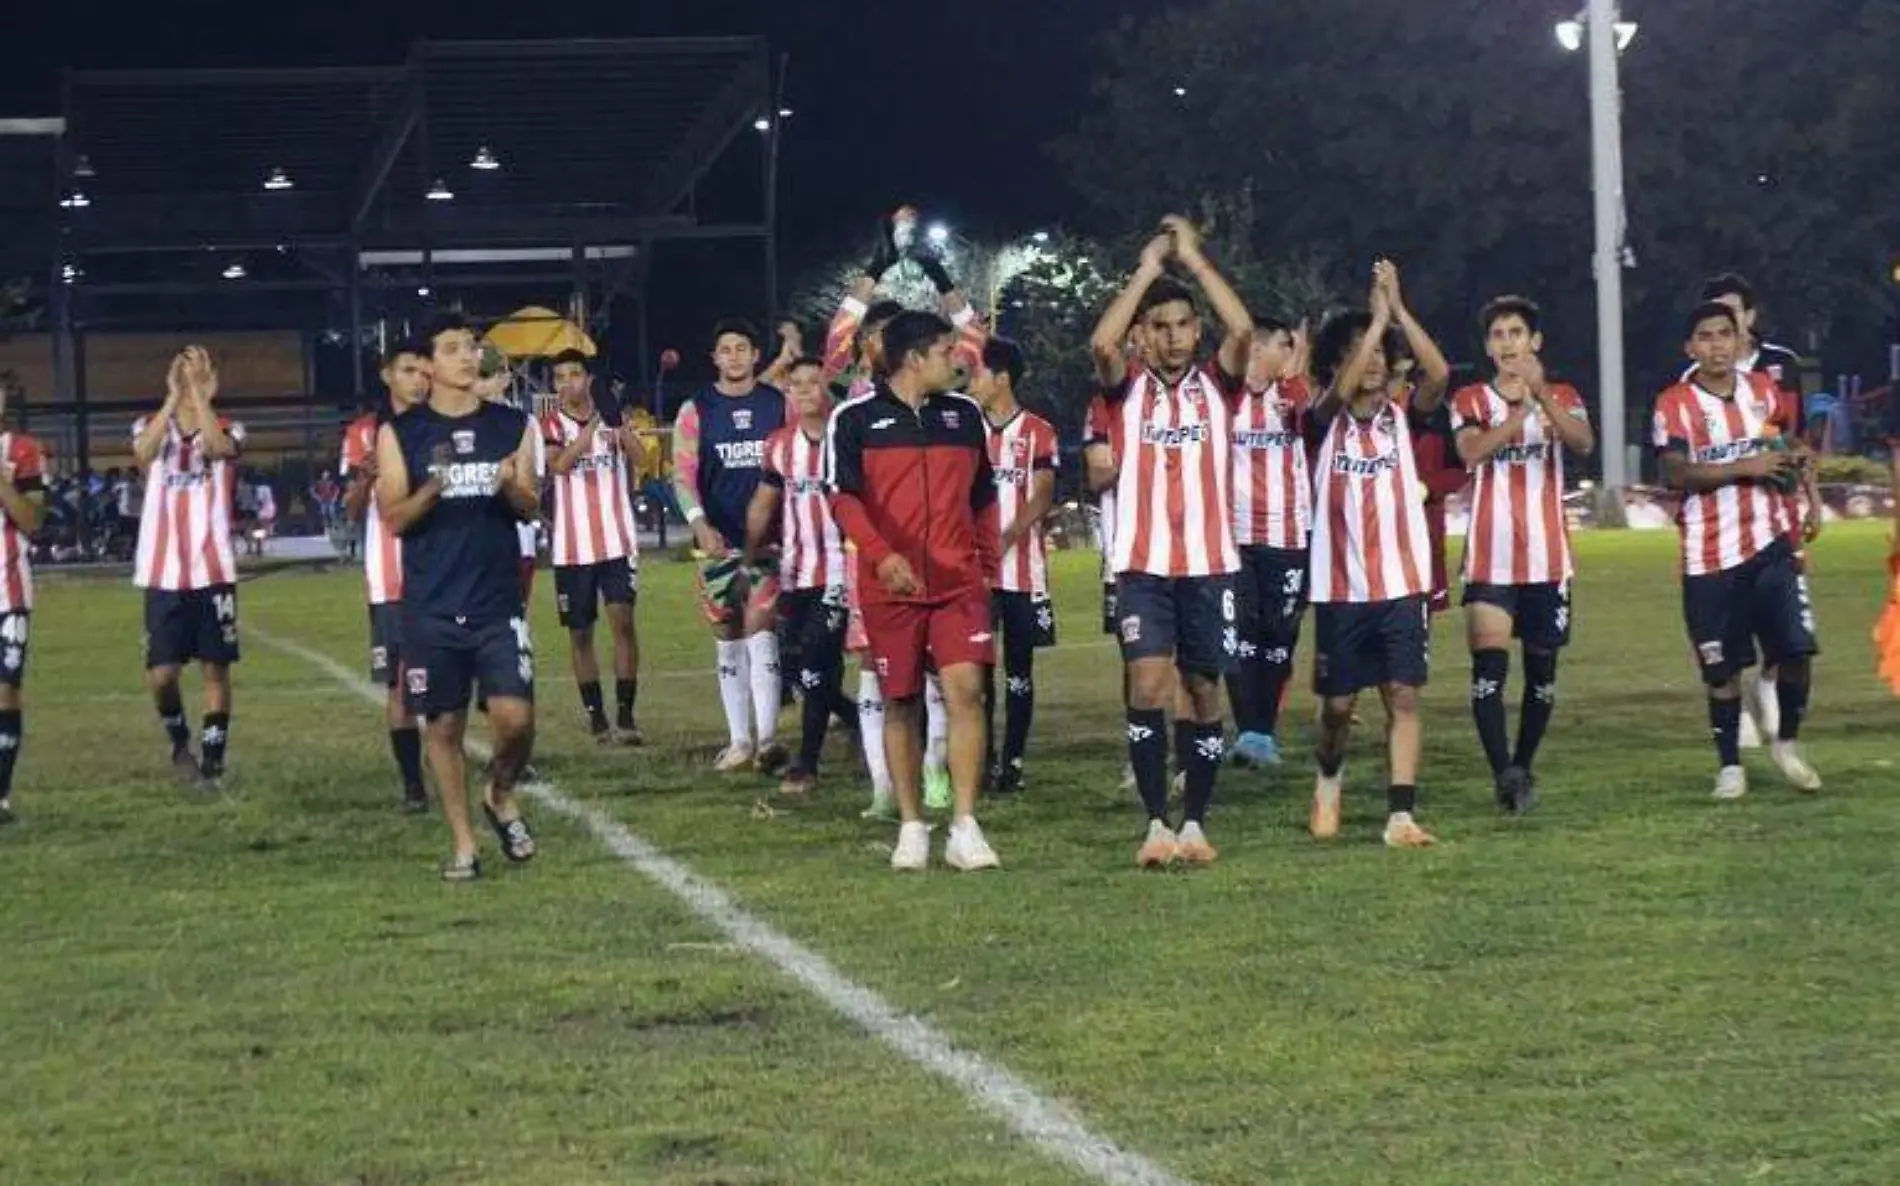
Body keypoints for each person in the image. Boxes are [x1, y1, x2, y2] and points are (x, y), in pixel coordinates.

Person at [1089, 215, 1253, 868]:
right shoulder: (1124, 391)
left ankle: (1196, 823)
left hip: (1211, 566)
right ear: (1143, 335)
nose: (1175, 337)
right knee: (1148, 683)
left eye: (1184, 325)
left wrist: (1194, 258)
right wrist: (1149, 271)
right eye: (1161, 327)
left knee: (1205, 690)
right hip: (1143, 565)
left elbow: (1241, 329)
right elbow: (1101, 344)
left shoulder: (1220, 385)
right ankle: (1157, 821)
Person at [827, 309, 1001, 871]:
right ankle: (910, 825)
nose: (957, 361)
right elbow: (843, 500)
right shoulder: (853, 420)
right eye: (946, 352)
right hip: (889, 589)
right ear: (913, 358)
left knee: (965, 692)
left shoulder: (966, 416)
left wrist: (988, 567)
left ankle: (966, 826)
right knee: (900, 701)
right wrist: (881, 558)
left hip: (958, 584)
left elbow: (983, 498)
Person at [376, 314, 543, 880]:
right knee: (442, 728)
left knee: (515, 719)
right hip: (431, 605)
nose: (468, 357)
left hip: (497, 600)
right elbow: (394, 518)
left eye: (472, 347)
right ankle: (465, 846)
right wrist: (434, 487)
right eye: (453, 349)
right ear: (430, 365)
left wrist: (509, 487)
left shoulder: (513, 425)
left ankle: (499, 793)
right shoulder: (401, 434)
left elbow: (531, 505)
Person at [1305, 261, 1451, 849]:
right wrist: (1374, 323)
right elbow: (1337, 394)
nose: (1370, 364)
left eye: (1377, 355)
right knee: (1338, 707)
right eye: (1357, 354)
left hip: (1400, 585)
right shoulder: (1320, 423)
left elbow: (1438, 371)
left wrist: (1398, 312)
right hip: (1341, 590)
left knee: (1404, 696)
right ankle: (1328, 778)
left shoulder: (1403, 420)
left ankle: (1400, 815)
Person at [1652, 301, 1821, 799]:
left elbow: (1782, 446)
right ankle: (1729, 765)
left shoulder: (1763, 392)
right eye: (1705, 337)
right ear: (1691, 348)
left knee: (1796, 650)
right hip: (1709, 556)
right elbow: (1675, 472)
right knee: (1722, 672)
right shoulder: (1675, 403)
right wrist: (1744, 468)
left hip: (1771, 543)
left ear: (1739, 340)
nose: (1717, 345)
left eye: (1724, 334)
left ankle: (1786, 742)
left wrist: (1803, 482)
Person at [1449, 296, 1595, 814]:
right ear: (1489, 347)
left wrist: (1543, 400)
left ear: (1535, 342)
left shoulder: (1565, 395)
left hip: (1548, 560)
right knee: (1489, 669)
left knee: (1542, 673)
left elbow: (1582, 443)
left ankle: (1524, 763)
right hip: (1491, 558)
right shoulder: (1470, 398)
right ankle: (1503, 773)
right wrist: (1523, 413)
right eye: (1498, 335)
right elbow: (1470, 452)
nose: (1508, 343)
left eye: (1516, 333)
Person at [1692, 273, 1817, 749]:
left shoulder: (1778, 368)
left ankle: (1770, 682)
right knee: (1728, 623)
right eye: (1714, 317)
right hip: (1719, 526)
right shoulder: (1690, 384)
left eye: (1733, 313)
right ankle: (1739, 709)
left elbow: (1794, 437)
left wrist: (1812, 496)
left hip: (1778, 514)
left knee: (1786, 615)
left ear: (1749, 316)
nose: (1725, 326)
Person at [673, 319, 789, 774]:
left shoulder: (778, 406)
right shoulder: (695, 409)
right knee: (729, 640)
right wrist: (698, 523)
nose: (735, 356)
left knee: (762, 633)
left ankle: (768, 741)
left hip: (768, 546)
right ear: (715, 358)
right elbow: (682, 474)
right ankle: (740, 740)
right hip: (717, 545)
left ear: (756, 355)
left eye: (743, 347)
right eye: (726, 349)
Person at [132, 346, 245, 788]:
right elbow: (144, 451)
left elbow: (218, 448)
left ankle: (213, 758)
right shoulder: (150, 425)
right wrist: (171, 398)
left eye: (198, 369)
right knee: (162, 674)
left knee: (215, 668)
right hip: (162, 572)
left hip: (213, 568)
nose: (189, 376)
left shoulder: (228, 426)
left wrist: (201, 398)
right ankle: (179, 737)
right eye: (182, 368)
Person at [744, 356, 848, 795]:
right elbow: (764, 504)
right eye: (797, 385)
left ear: (827, 389)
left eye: (813, 383)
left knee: (816, 658)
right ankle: (858, 718)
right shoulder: (779, 444)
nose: (804, 391)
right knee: (801, 665)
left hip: (842, 570)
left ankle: (806, 763)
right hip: (794, 571)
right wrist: (749, 556)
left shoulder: (846, 439)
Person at [340, 339, 432, 811]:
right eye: (408, 370)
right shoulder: (363, 434)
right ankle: (413, 784)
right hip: (390, 580)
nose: (418, 379)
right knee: (399, 683)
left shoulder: (438, 427)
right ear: (387, 375)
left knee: (442, 681)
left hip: (440, 573)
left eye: (423, 371)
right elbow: (351, 513)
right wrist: (365, 478)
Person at [542, 349, 644, 745]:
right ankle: (596, 715)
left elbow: (641, 458)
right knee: (580, 634)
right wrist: (594, 426)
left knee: (623, 622)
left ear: (588, 378)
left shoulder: (613, 415)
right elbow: (561, 464)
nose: (568, 383)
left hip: (617, 541)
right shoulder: (550, 422)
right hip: (572, 548)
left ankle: (626, 713)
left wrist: (619, 427)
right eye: (560, 377)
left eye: (575, 374)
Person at [970, 337, 1058, 795]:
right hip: (976, 575)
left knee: (1019, 671)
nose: (972, 383)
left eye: (978, 374)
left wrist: (1005, 536)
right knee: (977, 672)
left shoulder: (1039, 431)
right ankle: (981, 761)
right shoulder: (967, 429)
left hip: (1022, 571)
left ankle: (1014, 761)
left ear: (1001, 378)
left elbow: (1042, 493)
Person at [1224, 318, 1312, 768]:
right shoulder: (1226, 395)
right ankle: (1250, 733)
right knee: (1239, 637)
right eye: (1286, 346)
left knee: (1279, 637)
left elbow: (1312, 417)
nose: (1292, 354)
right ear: (1259, 348)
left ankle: (1261, 733)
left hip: (1288, 535)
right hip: (1234, 536)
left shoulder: (1292, 394)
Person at [0, 390, 47, 823]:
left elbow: (33, 521)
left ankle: (2, 794)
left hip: (7, 588)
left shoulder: (24, 451)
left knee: (6, 689)